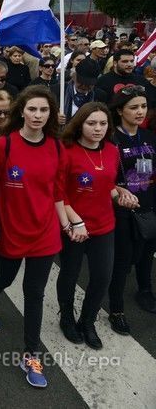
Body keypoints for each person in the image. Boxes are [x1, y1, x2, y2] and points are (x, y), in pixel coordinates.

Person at [0, 86, 68, 388]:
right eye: (32, 109)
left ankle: (31, 355)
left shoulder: (57, 147)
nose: (38, 115)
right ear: (21, 111)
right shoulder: (2, 146)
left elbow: (57, 192)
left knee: (35, 293)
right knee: (4, 278)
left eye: (44, 110)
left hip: (44, 233)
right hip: (10, 231)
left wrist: (69, 224)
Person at [57, 102, 137, 349]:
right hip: (74, 227)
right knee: (69, 274)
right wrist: (73, 222)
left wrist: (121, 195)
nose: (98, 128)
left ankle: (87, 321)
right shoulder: (66, 150)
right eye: (91, 123)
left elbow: (107, 185)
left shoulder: (112, 150)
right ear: (79, 124)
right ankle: (67, 318)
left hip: (104, 225)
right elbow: (58, 193)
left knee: (102, 277)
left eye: (103, 123)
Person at [108, 87, 156, 334]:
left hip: (149, 206)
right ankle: (116, 309)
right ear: (119, 111)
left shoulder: (149, 136)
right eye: (133, 107)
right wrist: (118, 192)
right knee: (121, 261)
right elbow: (103, 178)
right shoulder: (110, 140)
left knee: (147, 254)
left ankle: (145, 289)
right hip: (122, 211)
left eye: (143, 107)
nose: (140, 112)